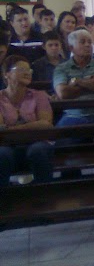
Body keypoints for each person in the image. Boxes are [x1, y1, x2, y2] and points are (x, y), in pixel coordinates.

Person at [0, 55, 54, 186]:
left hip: (37, 143)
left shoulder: (39, 95)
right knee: (1, 154)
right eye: (21, 69)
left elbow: (46, 124)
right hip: (7, 146)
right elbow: (1, 130)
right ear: (7, 74)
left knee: (38, 151)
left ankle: (44, 194)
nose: (27, 72)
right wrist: (32, 127)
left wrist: (12, 129)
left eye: (29, 70)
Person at [53, 29, 94, 128]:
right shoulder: (61, 68)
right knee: (59, 141)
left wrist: (77, 81)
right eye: (82, 42)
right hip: (73, 115)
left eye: (89, 42)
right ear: (71, 48)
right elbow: (63, 93)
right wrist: (92, 81)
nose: (87, 45)